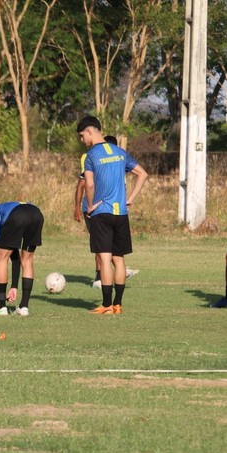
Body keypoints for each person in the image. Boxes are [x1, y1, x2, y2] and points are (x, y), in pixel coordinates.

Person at [78, 115, 148, 315]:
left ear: (90, 131)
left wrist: (90, 206)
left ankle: (106, 305)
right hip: (121, 213)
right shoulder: (120, 152)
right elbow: (142, 174)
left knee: (105, 257)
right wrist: (131, 198)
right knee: (119, 258)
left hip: (101, 213)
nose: (83, 140)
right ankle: (117, 304)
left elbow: (89, 184)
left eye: (83, 136)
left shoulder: (91, 155)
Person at [74, 134, 138, 288]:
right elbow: (83, 184)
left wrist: (127, 199)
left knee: (107, 253)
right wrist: (79, 207)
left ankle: (108, 297)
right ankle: (103, 282)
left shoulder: (108, 158)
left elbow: (89, 185)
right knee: (109, 253)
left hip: (107, 210)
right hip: (107, 210)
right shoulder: (104, 157)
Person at [0, 201, 44, 316]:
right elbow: (15, 256)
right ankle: (23, 307)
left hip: (17, 215)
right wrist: (14, 287)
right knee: (27, 260)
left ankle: (1, 307)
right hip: (36, 214)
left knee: (0, 258)